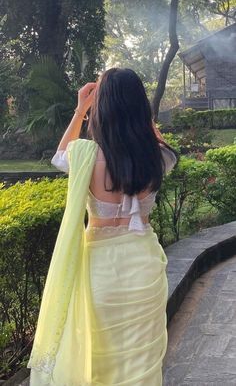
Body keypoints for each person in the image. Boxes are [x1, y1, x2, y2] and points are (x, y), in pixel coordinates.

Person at [28, 67, 178, 385]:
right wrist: (142, 117)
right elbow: (156, 137)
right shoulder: (160, 156)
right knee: (141, 362)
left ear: (101, 108)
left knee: (99, 359)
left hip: (100, 272)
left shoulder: (84, 155)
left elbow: (59, 157)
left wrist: (81, 109)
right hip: (144, 267)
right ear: (140, 107)